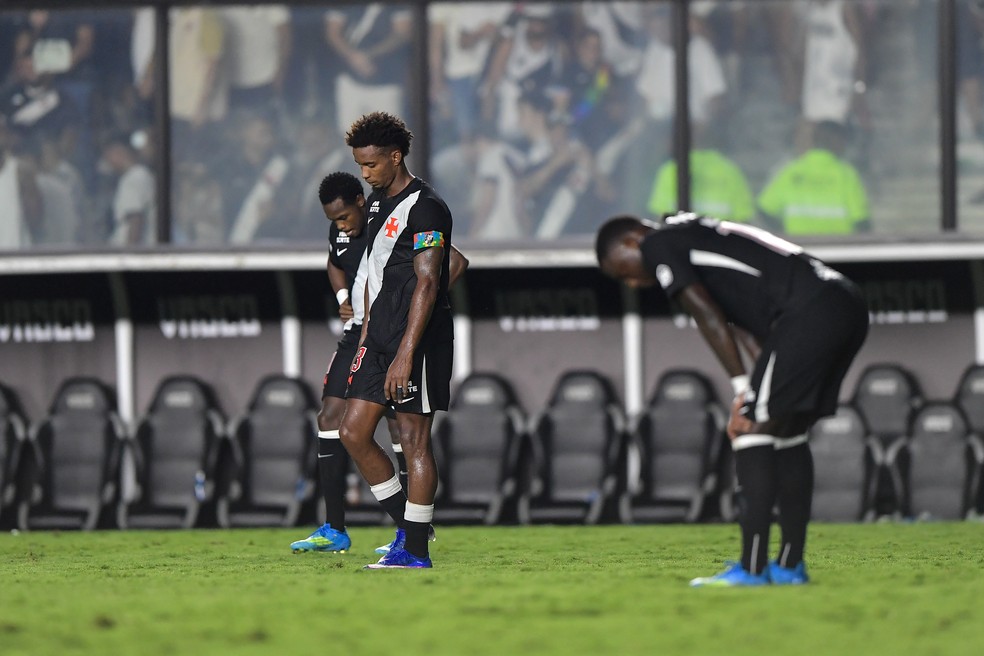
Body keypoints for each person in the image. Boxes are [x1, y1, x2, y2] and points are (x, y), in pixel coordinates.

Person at [595, 212, 868, 586]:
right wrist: (756, 390)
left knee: (750, 431)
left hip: (809, 311)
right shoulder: (694, 239)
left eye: (621, 272)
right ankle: (789, 566)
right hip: (843, 304)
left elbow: (706, 316)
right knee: (787, 430)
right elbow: (748, 335)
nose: (630, 282)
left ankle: (752, 569)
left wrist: (743, 393)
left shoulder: (657, 244)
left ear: (631, 242)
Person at [290, 170, 468, 554]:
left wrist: (410, 308)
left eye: (343, 217)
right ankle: (348, 527)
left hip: (402, 332)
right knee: (342, 426)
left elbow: (451, 263)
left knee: (406, 435)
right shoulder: (356, 223)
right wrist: (343, 298)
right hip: (366, 332)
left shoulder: (413, 209)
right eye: (361, 165)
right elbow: (338, 264)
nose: (341, 227)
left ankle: (413, 538)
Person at [338, 112, 454, 569]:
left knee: (414, 440)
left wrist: (407, 352)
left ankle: (415, 551)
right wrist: (367, 335)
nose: (364, 174)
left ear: (395, 156)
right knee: (352, 432)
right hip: (379, 335)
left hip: (416, 340)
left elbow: (431, 279)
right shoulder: (375, 204)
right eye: (359, 165)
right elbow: (381, 271)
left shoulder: (426, 206)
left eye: (371, 165)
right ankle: (409, 528)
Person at [757, 120, 870, 235]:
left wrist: (784, 232)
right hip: (837, 248)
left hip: (799, 245)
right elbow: (861, 221)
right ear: (838, 141)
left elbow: (764, 210)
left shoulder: (791, 171)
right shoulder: (846, 175)